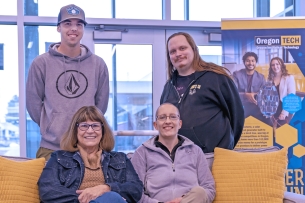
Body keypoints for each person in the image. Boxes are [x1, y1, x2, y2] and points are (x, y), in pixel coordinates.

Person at [26, 4, 109, 160]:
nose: (74, 28)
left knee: (93, 186)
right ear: (58, 28)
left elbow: (100, 106)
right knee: (47, 185)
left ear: (83, 29)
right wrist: (51, 125)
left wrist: (87, 130)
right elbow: (33, 104)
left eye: (79, 24)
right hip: (50, 149)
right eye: (67, 23)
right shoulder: (41, 63)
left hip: (88, 149)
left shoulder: (98, 65)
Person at [38, 106, 143, 203]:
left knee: (112, 197)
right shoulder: (58, 157)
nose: (90, 131)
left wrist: (106, 188)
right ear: (75, 131)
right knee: (112, 197)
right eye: (84, 126)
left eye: (95, 126)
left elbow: (136, 189)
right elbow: (47, 190)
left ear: (102, 131)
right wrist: (87, 197)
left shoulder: (120, 158)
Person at [160, 32, 244, 153]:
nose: (178, 54)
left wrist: (226, 148)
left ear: (194, 49)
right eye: (172, 51)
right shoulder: (168, 88)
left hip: (215, 157)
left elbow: (237, 116)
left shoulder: (216, 78)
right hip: (181, 159)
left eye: (182, 48)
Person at [131, 103, 215, 203]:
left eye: (173, 117)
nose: (168, 121)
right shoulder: (142, 153)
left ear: (180, 123)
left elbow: (209, 189)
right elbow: (135, 192)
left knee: (199, 192)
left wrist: (183, 200)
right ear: (155, 125)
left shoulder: (195, 151)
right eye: (162, 117)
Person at [232, 52, 271, 125]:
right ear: (244, 62)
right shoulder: (236, 75)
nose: (250, 63)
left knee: (269, 122)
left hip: (256, 108)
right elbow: (232, 93)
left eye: (253, 61)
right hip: (241, 107)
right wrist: (245, 95)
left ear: (256, 62)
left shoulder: (261, 77)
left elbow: (264, 95)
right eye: (248, 61)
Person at [268, 57, 296, 127]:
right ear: (271, 67)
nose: (275, 66)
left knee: (283, 133)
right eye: (273, 65)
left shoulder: (289, 78)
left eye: (277, 64)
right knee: (273, 133)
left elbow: (291, 96)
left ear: (281, 65)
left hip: (285, 109)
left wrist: (284, 112)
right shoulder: (269, 80)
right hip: (273, 110)